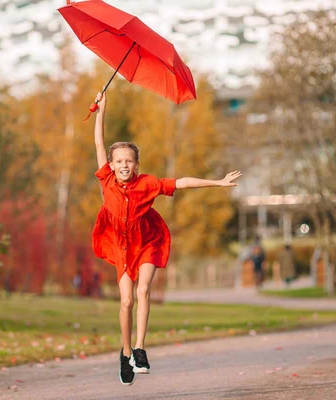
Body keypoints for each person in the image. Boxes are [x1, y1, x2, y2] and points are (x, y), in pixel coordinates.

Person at [91, 92, 242, 386]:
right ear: (110, 164)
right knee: (125, 302)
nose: (124, 165)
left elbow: (181, 182)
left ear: (136, 164)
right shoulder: (106, 179)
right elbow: (98, 142)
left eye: (129, 161)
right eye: (119, 160)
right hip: (120, 243)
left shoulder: (147, 183)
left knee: (143, 291)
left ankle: (140, 348)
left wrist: (217, 182)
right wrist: (102, 109)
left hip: (147, 239)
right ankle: (125, 353)